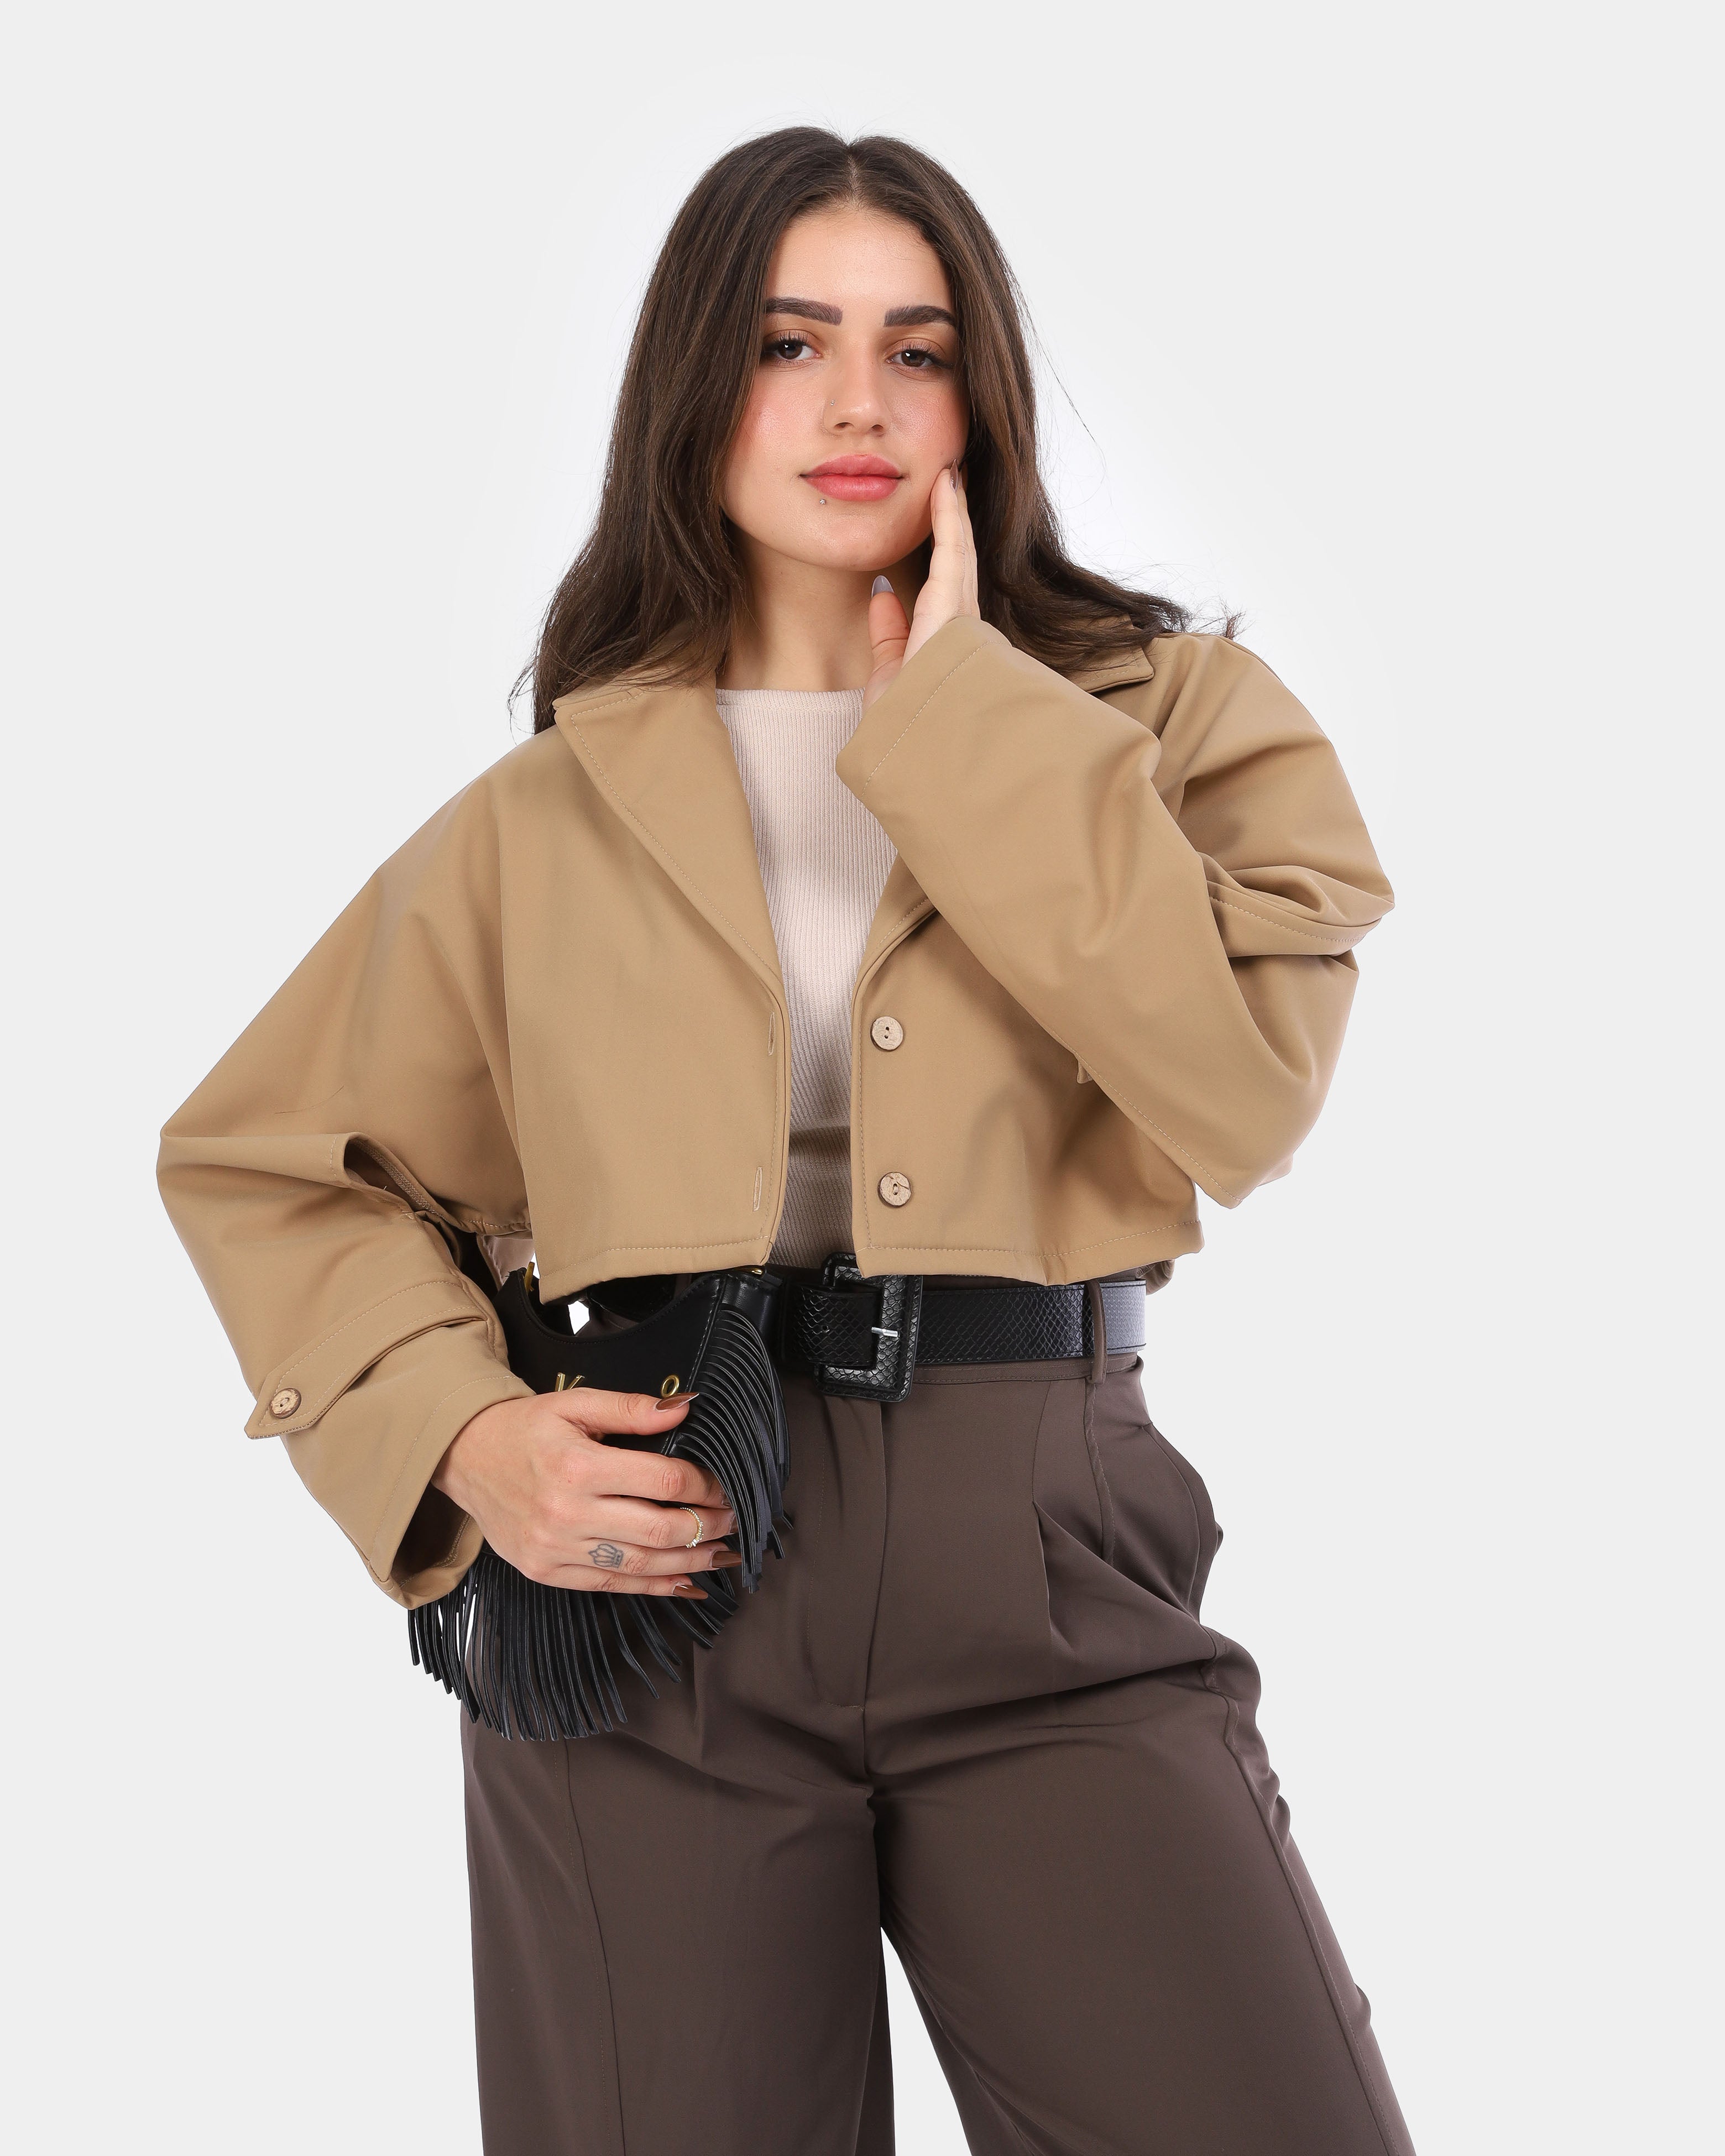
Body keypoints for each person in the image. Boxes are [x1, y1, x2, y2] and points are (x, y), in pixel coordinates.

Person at [159, 127, 1414, 2156]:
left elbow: (1242, 1081)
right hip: (656, 1569)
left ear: (979, 400)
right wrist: (464, 1436)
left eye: (917, 351)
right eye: (788, 343)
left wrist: (968, 721)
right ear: (696, 385)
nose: (857, 405)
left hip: (1050, 1556)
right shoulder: (549, 813)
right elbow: (272, 1158)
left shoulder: (1174, 727)